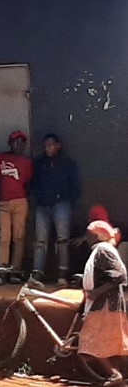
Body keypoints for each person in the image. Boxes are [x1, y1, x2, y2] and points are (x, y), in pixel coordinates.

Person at [77, 220, 128, 386]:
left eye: (90, 235)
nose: (87, 238)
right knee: (113, 343)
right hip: (105, 305)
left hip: (105, 305)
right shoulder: (101, 250)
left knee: (90, 342)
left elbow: (120, 275)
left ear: (97, 236)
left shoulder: (103, 250)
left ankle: (114, 375)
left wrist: (96, 293)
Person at [33, 132, 81, 286]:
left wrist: (66, 199)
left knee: (62, 240)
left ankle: (63, 272)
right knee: (40, 240)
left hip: (62, 204)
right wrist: (39, 197)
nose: (47, 148)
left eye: (51, 145)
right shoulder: (39, 163)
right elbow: (34, 183)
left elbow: (75, 186)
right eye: (45, 145)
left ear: (58, 145)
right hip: (42, 205)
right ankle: (37, 273)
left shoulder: (68, 163)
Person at [0, 130, 34, 285]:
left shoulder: (27, 162)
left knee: (19, 237)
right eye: (15, 142)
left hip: (20, 201)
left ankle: (15, 272)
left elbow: (29, 183)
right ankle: (2, 271)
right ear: (9, 143)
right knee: (3, 237)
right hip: (2, 202)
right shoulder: (0, 158)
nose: (19, 145)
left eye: (22, 142)